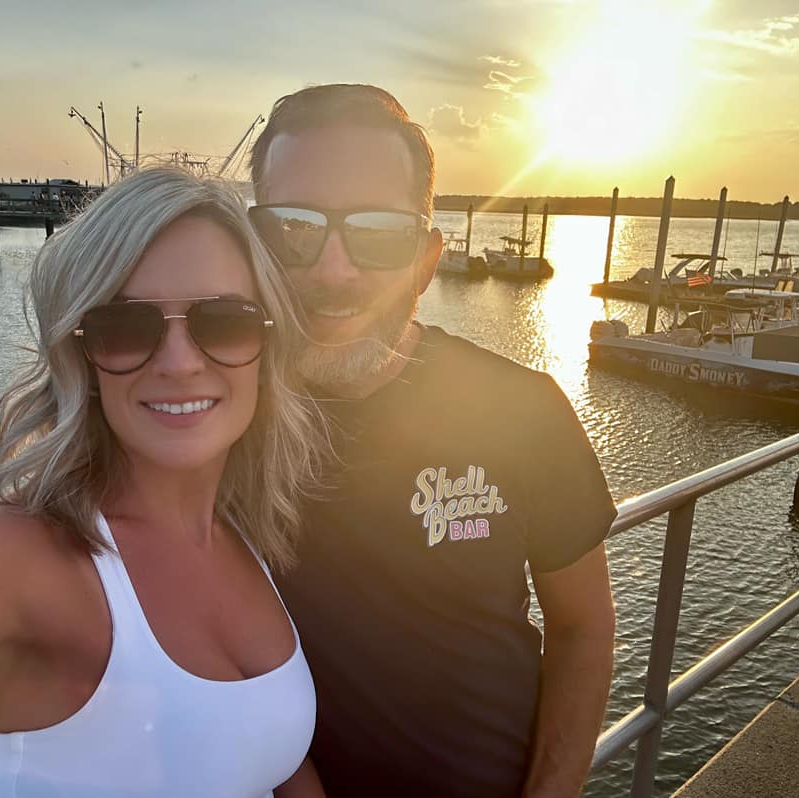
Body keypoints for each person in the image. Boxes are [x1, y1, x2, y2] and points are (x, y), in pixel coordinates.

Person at [248, 84, 618, 798]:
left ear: (425, 258)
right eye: (293, 227)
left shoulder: (522, 409)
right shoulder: (217, 422)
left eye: (378, 232)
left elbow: (582, 627)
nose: (333, 270)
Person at [0, 167, 327, 798]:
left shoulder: (245, 537)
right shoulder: (2, 564)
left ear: (267, 347)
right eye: (125, 328)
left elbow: (271, 759)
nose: (180, 363)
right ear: (83, 357)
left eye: (225, 321)